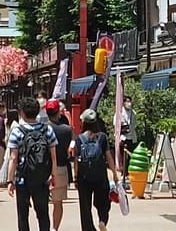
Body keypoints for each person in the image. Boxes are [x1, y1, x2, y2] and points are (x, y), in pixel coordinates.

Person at [8, 97, 59, 231]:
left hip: (23, 178)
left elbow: (13, 158)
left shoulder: (17, 131)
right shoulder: (47, 130)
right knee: (43, 213)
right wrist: (53, 176)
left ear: (22, 113)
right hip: (42, 178)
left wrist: (10, 180)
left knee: (23, 215)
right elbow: (53, 157)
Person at [74, 109, 118, 231]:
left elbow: (76, 160)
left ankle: (88, 228)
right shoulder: (102, 137)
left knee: (85, 207)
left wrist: (76, 177)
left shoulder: (79, 139)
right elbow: (108, 156)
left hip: (84, 177)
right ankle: (102, 220)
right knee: (103, 202)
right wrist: (114, 173)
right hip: (100, 175)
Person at [46, 99, 74, 231]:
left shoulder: (42, 128)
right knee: (58, 202)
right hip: (61, 168)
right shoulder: (67, 130)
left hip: (43, 168)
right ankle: (55, 228)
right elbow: (70, 150)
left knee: (41, 202)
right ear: (59, 112)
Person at [119, 96, 138, 179]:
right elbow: (116, 125)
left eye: (130, 101)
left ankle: (130, 172)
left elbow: (135, 124)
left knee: (131, 156)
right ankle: (124, 172)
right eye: (127, 101)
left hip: (132, 137)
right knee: (124, 156)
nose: (129, 103)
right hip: (123, 137)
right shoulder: (120, 113)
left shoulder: (133, 113)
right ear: (123, 103)